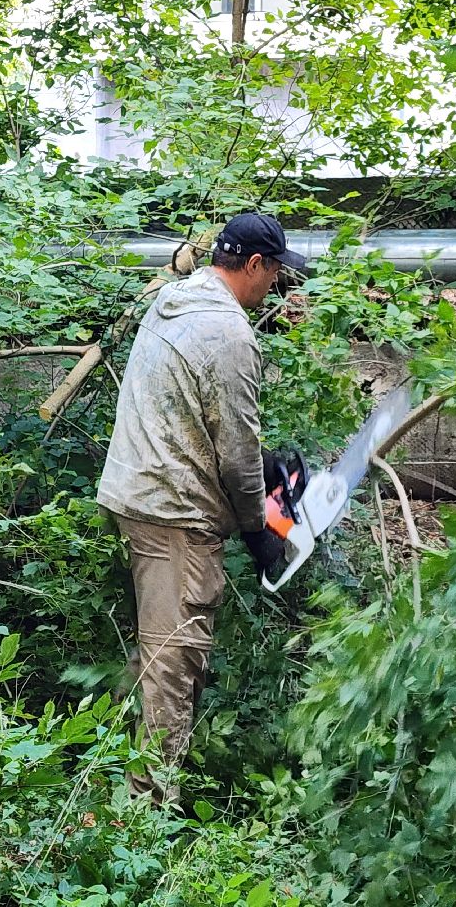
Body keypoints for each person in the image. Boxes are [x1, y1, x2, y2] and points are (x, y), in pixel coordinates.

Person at [96, 212, 306, 802]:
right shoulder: (230, 334)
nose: (277, 285)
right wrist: (261, 528)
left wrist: (265, 469)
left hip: (137, 492)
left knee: (159, 644)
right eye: (275, 272)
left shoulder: (176, 298)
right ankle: (147, 811)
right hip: (172, 511)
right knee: (176, 659)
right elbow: (236, 455)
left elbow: (194, 414)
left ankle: (118, 779)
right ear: (255, 264)